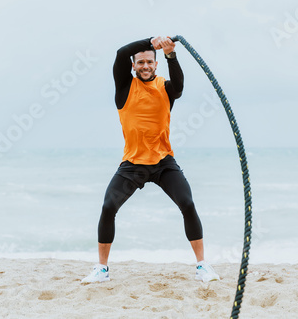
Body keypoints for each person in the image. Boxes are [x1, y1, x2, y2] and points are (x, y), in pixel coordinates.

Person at [82, 36, 219, 283]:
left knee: (187, 203)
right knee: (107, 207)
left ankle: (202, 266)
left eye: (149, 62)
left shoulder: (165, 88)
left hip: (163, 163)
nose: (145, 66)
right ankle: (101, 269)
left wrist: (170, 54)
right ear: (134, 66)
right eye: (141, 62)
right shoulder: (124, 88)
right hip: (133, 164)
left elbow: (179, 85)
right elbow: (121, 52)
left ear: (156, 65)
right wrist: (150, 41)